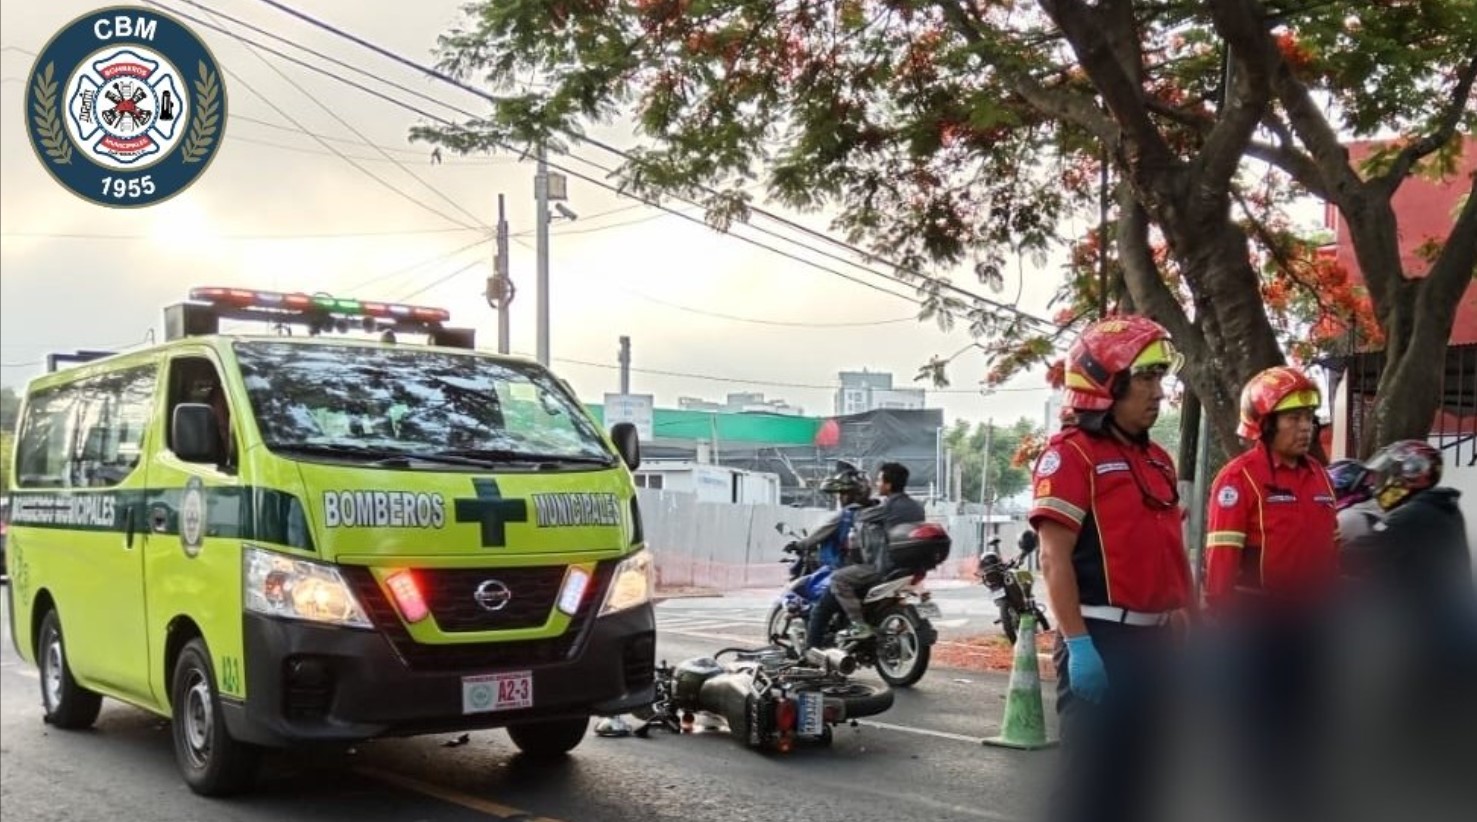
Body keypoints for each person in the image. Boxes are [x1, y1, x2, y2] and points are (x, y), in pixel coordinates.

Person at [1028, 315, 1193, 822]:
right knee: (1089, 790)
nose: (1157, 392)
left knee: (1144, 783)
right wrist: (1079, 646)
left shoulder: (1157, 460)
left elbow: (1170, 551)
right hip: (1100, 639)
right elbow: (1055, 559)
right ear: (1106, 384)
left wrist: (1185, 617)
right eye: (1144, 378)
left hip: (1156, 643)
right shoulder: (1070, 457)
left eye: (1160, 378)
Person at [1203, 365, 1342, 822]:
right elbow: (1221, 562)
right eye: (1293, 418)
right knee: (1258, 730)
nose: (1305, 427)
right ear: (1263, 424)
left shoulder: (1321, 479)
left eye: (1309, 417)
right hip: (1256, 626)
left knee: (1307, 721)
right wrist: (1223, 628)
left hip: (1312, 623)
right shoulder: (1238, 480)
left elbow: (1331, 548)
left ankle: (1300, 800)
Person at [827, 462, 926, 639]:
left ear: (888, 484)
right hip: (913, 567)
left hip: (885, 567)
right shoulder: (917, 506)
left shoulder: (887, 507)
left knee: (838, 579)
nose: (876, 484)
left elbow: (861, 517)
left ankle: (858, 625)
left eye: (879, 480)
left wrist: (861, 502)